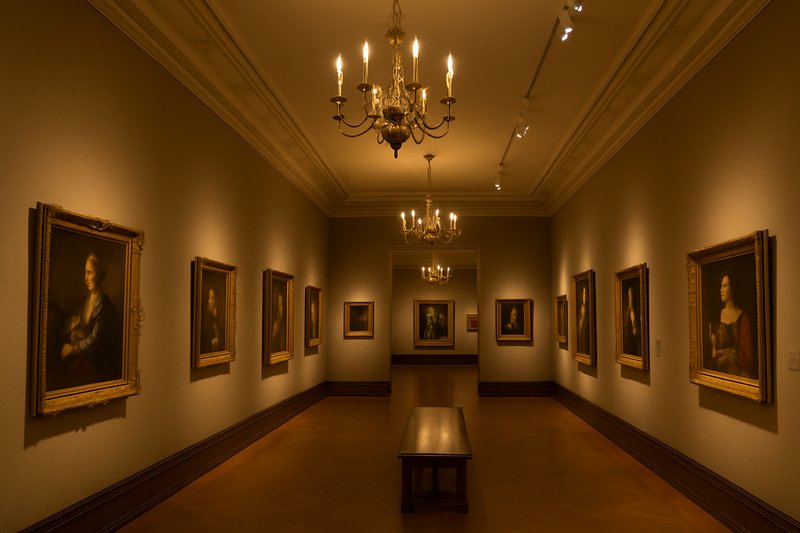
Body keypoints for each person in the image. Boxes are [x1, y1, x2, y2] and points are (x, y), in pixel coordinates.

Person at [58, 253, 120, 385]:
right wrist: (74, 328)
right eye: (85, 273)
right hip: (86, 357)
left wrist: (73, 349)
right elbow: (80, 326)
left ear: (98, 274)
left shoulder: (104, 304)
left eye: (89, 273)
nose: (85, 278)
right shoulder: (86, 301)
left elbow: (96, 339)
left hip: (98, 363)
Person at [708, 272, 754, 378]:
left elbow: (747, 357)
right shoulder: (716, 317)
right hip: (718, 375)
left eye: (724, 286)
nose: (721, 290)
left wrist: (729, 354)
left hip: (737, 376)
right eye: (721, 286)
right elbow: (713, 352)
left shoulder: (742, 318)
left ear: (732, 289)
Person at [201, 286, 222, 353]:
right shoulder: (204, 319)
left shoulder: (216, 316)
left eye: (214, 298)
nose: (214, 301)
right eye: (212, 298)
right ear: (208, 300)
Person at [622, 285, 641, 355]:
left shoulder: (638, 317)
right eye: (629, 298)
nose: (630, 300)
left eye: (631, 298)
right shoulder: (626, 318)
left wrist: (634, 326)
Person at [577, 286, 589, 354]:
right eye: (584, 293)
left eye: (586, 293)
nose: (585, 295)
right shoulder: (579, 310)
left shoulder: (589, 311)